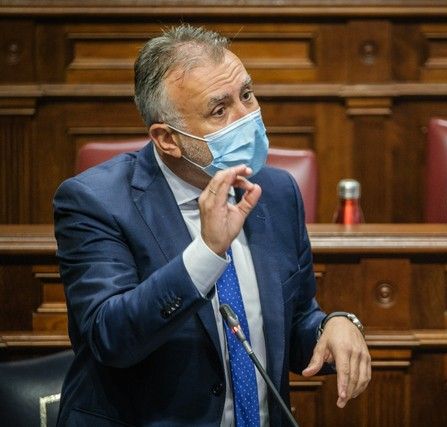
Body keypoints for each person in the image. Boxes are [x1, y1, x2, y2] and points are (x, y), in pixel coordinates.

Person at [53, 24, 370, 426]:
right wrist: (206, 253)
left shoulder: (275, 190)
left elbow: (290, 324)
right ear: (168, 139)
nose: (247, 116)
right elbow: (111, 338)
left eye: (247, 95)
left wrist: (334, 324)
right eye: (220, 110)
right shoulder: (95, 202)